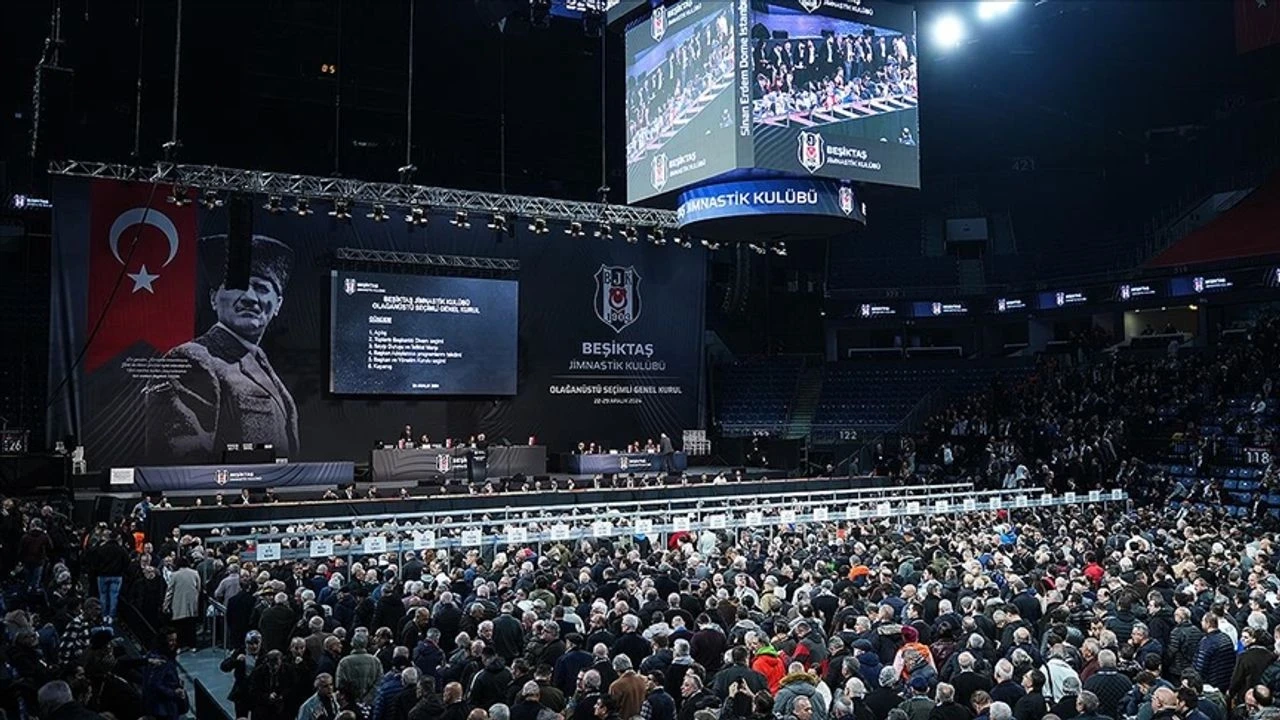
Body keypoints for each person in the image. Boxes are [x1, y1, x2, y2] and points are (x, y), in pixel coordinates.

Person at [146, 234, 298, 462]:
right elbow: (181, 460)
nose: (249, 297)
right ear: (213, 298)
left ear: (278, 304)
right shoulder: (191, 358)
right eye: (236, 286)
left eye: (261, 288)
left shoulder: (262, 364)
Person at [163, 555, 202, 651]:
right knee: (191, 627)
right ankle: (193, 645)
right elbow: (198, 588)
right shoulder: (195, 573)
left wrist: (166, 605)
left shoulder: (174, 575)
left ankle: (179, 646)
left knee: (179, 627)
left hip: (178, 605)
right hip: (192, 605)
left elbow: (170, 592)